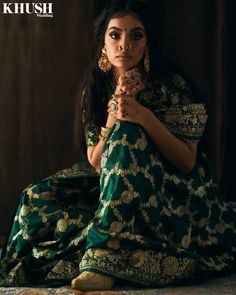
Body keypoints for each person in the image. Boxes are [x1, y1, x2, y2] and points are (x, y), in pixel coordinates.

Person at [0, 0, 235, 291]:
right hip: (109, 182)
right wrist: (114, 114)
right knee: (36, 197)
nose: (125, 44)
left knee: (129, 134)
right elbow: (96, 162)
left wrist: (141, 116)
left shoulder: (171, 85)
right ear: (103, 44)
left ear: (147, 43)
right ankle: (104, 244)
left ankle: (103, 258)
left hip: (168, 188)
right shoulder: (95, 90)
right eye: (115, 35)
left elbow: (187, 161)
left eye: (136, 35)